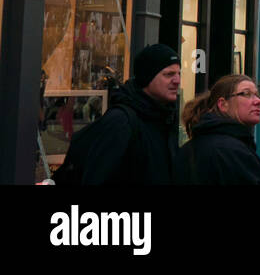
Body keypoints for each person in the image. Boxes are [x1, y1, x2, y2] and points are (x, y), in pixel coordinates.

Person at [54, 42, 181, 185]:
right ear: (147, 77)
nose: (177, 80)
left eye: (179, 74)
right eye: (169, 74)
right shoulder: (121, 121)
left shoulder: (167, 118)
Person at [175, 74, 260, 185]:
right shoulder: (230, 150)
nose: (258, 101)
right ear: (223, 104)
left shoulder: (191, 146)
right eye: (246, 94)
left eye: (257, 95)